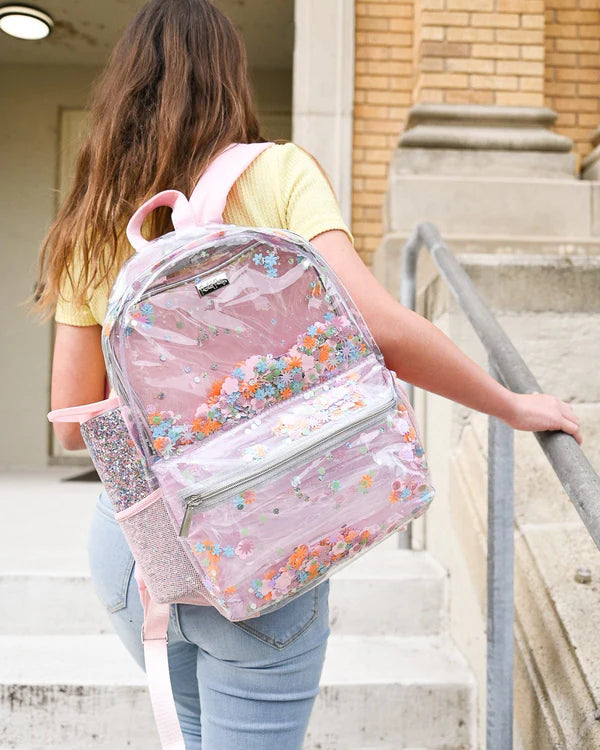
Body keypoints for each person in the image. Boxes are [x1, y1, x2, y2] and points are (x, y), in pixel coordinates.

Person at [36, 1, 582, 748]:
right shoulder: (280, 172)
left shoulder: (93, 213)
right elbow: (384, 330)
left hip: (139, 555)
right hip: (260, 544)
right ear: (229, 76)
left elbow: (74, 421)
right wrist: (510, 404)